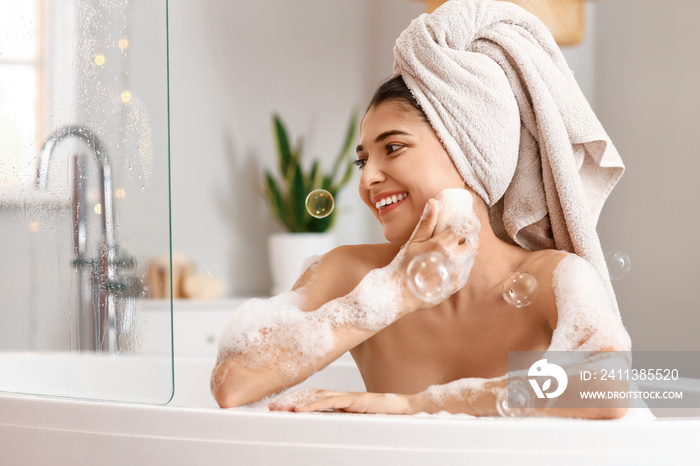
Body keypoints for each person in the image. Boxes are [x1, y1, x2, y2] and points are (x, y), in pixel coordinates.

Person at [212, 0, 632, 418]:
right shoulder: (353, 274)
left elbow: (609, 389)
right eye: (362, 160)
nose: (366, 179)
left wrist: (415, 404)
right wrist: (393, 293)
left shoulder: (553, 279)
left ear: (467, 152)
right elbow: (232, 384)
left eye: (392, 148)